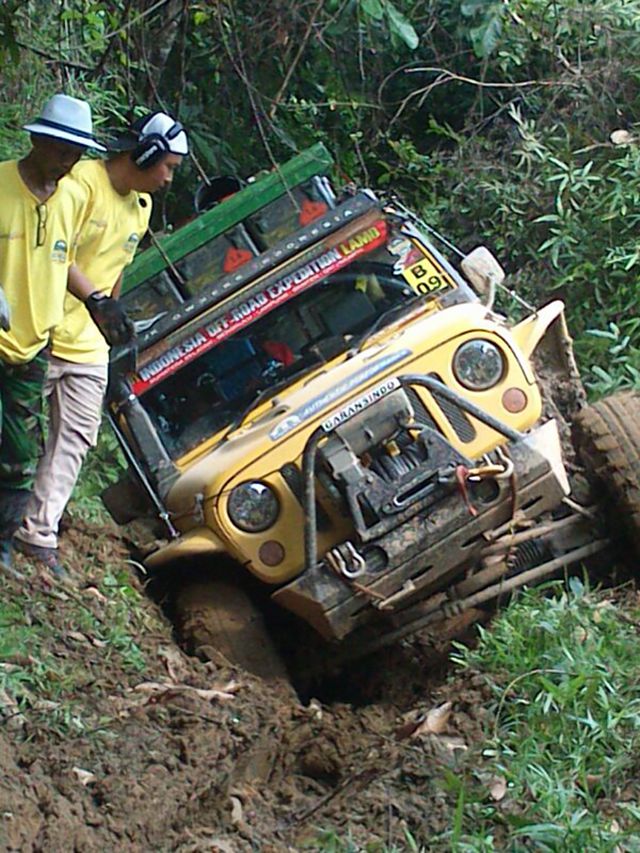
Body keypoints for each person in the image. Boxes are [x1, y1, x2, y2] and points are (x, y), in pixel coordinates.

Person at [13, 112, 189, 575]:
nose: (169, 178)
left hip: (90, 344)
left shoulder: (141, 208)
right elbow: (54, 253)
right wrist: (91, 300)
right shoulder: (80, 185)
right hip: (45, 326)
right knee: (14, 427)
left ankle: (38, 531)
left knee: (75, 435)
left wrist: (113, 316)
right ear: (144, 153)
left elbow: (116, 270)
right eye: (166, 166)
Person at [0, 93, 116, 571]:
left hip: (33, 345)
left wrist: (96, 299)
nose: (68, 162)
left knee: (20, 454)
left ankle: (4, 542)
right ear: (39, 140)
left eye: (76, 154)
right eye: (61, 150)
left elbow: (63, 257)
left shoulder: (70, 197)